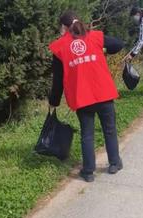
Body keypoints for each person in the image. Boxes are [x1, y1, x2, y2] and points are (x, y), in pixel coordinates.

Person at [49, 11, 125, 183]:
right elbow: (118, 44)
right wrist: (103, 48)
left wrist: (53, 101)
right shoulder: (95, 36)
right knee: (110, 129)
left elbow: (58, 80)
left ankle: (89, 171)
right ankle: (114, 163)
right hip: (103, 93)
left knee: (87, 134)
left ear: (64, 27)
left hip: (82, 97)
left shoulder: (60, 47)